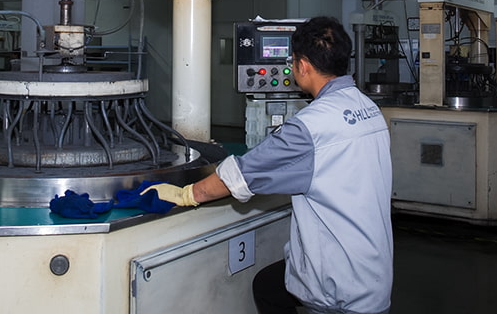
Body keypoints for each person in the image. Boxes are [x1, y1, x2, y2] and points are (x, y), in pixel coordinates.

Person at [144, 16, 393, 314]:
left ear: (302, 65)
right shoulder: (368, 108)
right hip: (373, 270)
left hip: (338, 286)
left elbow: (239, 175)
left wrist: (186, 194)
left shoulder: (311, 127)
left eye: (292, 61)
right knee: (268, 286)